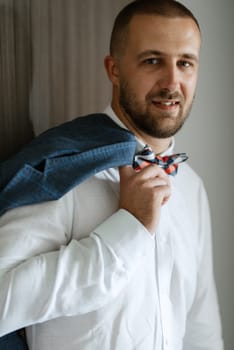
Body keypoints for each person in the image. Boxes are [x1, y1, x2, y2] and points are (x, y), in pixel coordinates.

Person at [0, 0, 224, 349]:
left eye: (185, 63)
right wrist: (127, 230)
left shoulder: (192, 186)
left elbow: (200, 325)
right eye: (152, 61)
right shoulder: (64, 169)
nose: (172, 81)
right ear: (114, 69)